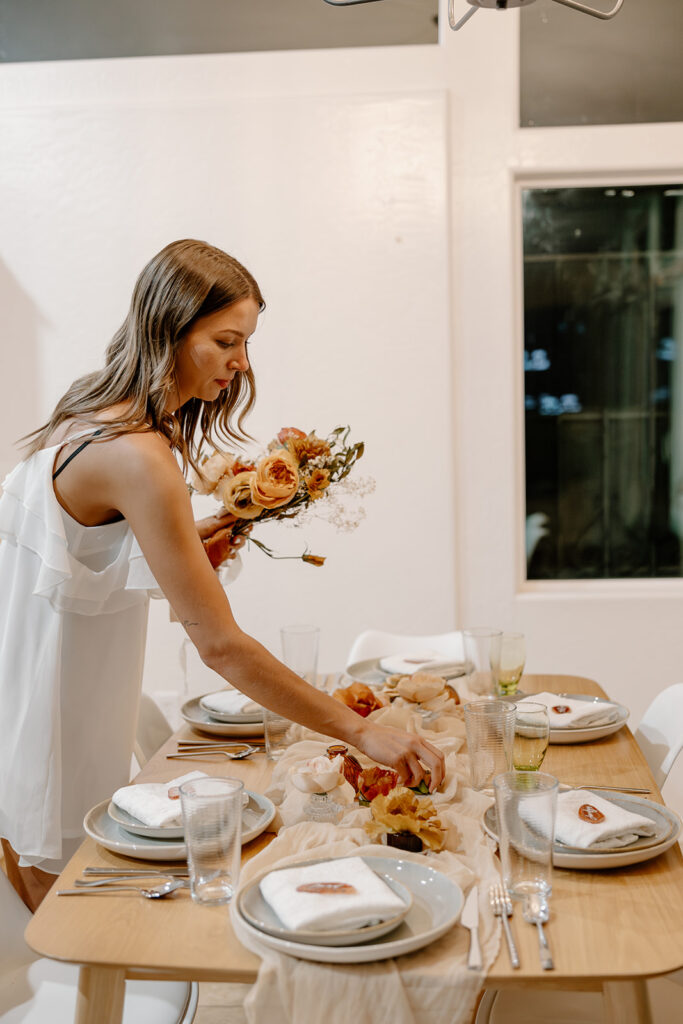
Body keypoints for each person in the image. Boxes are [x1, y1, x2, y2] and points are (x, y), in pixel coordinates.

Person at [0, 239, 445, 911]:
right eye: (225, 341)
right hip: (47, 715)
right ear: (170, 332)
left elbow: (68, 555)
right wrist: (358, 732)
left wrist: (175, 543)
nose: (240, 363)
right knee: (79, 933)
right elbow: (220, 646)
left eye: (246, 342)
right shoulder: (140, 454)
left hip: (46, 690)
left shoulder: (92, 415)